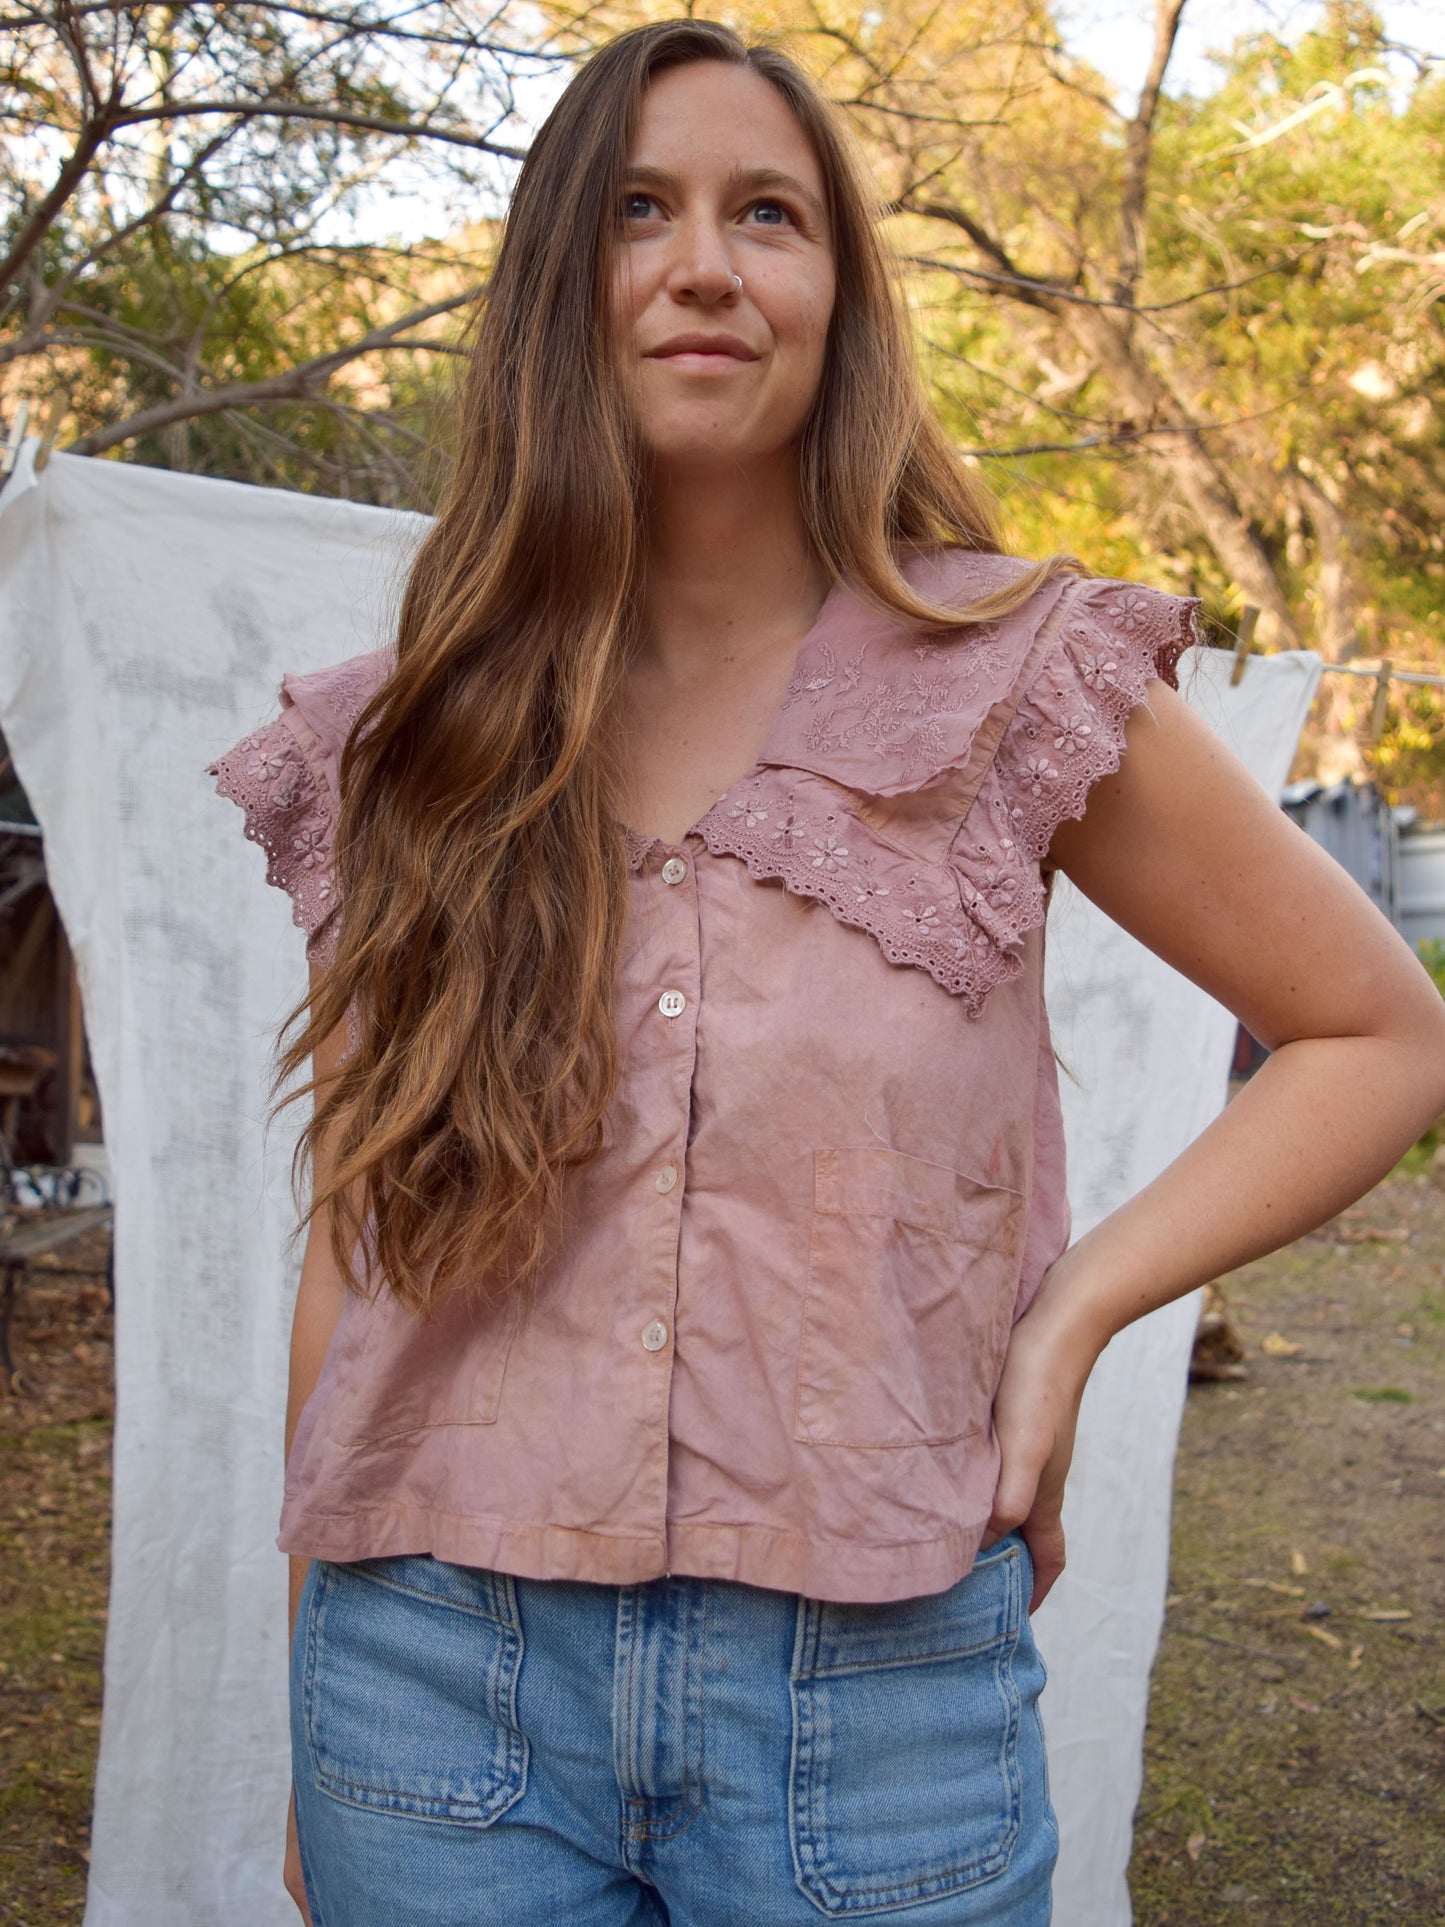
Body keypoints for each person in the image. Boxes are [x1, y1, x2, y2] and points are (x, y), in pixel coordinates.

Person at [208, 20, 1445, 1927]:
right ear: (557, 285)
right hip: (430, 1692)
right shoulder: (411, 742)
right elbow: (358, 1242)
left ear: (836, 296)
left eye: (764, 212)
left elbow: (1371, 1034)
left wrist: (1073, 1318)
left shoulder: (1014, 682)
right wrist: (310, 1693)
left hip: (876, 1713)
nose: (703, 261)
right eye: (639, 209)